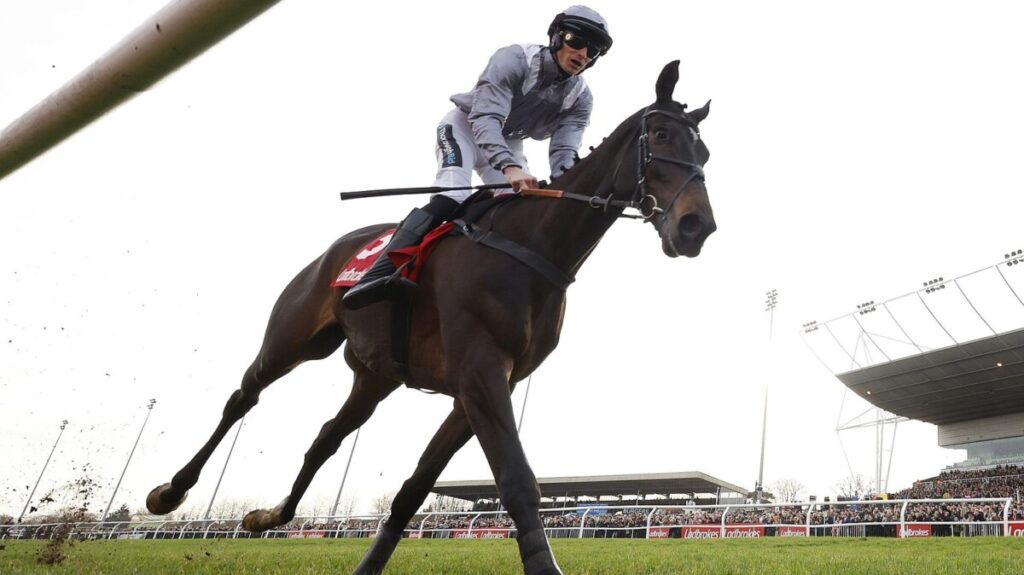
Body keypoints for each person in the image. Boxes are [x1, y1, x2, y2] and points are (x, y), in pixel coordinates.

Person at [343, 6, 613, 309]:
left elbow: (564, 152)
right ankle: (378, 273)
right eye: (576, 41)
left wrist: (570, 185)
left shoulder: (581, 98)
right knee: (455, 192)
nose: (583, 54)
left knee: (519, 207)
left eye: (594, 50)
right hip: (465, 126)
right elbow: (485, 117)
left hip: (509, 141)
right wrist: (510, 167)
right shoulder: (513, 59)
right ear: (556, 37)